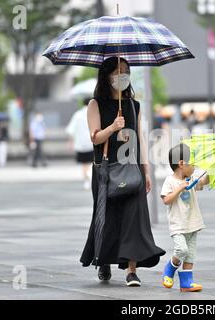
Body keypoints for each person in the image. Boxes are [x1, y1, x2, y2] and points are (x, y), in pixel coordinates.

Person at [80, 56, 165, 287]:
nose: (123, 75)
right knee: (107, 217)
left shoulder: (133, 105)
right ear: (107, 76)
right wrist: (113, 127)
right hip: (105, 170)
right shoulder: (95, 104)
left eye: (126, 71)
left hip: (132, 168)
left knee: (134, 219)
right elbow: (95, 137)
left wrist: (146, 171)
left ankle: (131, 270)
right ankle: (103, 260)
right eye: (118, 71)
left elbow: (141, 140)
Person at [160, 143, 209, 292]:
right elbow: (166, 200)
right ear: (181, 163)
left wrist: (214, 173)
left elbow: (203, 182)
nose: (194, 167)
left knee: (190, 255)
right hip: (178, 225)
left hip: (192, 223)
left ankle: (186, 283)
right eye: (192, 163)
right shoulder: (170, 181)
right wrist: (180, 188)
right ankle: (169, 268)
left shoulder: (192, 178)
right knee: (181, 250)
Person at [66, 97, 94, 190]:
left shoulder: (77, 115)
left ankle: (86, 180)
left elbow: (70, 130)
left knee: (84, 164)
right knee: (92, 163)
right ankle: (90, 176)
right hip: (92, 143)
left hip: (81, 144)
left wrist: (70, 142)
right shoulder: (94, 114)